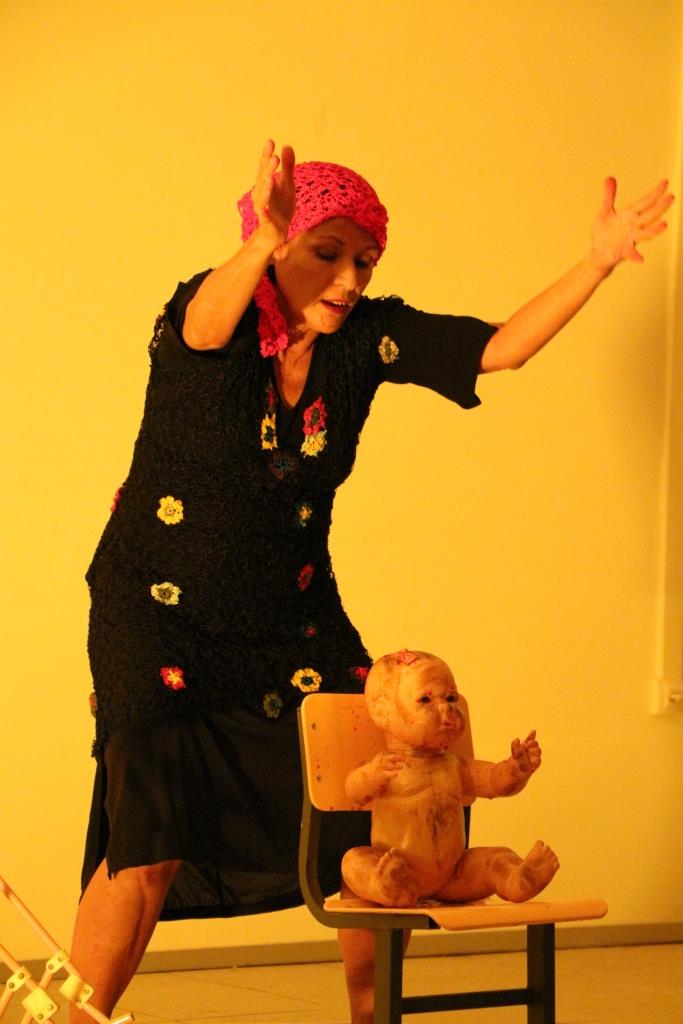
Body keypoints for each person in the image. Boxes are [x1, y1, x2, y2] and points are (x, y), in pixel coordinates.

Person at [71, 140, 672, 1024]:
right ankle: (78, 1019)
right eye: (328, 253)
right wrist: (258, 241)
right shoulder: (209, 318)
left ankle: (371, 1014)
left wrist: (596, 262)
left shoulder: (365, 338)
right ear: (278, 245)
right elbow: (203, 323)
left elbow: (498, 349)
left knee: (379, 789)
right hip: (157, 616)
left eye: (366, 261)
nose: (350, 280)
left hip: (291, 612)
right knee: (148, 834)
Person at [341, 649, 559, 908]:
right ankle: (388, 886)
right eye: (425, 699)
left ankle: (517, 880)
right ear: (382, 712)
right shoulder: (387, 766)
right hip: (400, 867)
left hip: (454, 875)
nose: (445, 708)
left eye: (451, 697)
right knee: (353, 861)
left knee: (497, 858)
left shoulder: (454, 766)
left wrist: (515, 770)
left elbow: (492, 781)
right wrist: (372, 775)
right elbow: (353, 792)